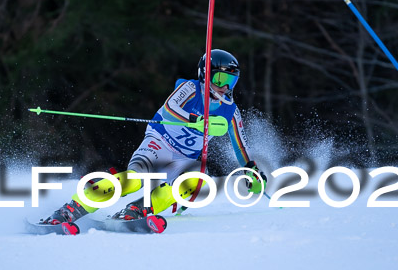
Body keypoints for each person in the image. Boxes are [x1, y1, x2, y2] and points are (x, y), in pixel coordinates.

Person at [41, 49, 267, 225]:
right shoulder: (190, 88)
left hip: (185, 159)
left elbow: (240, 145)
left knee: (193, 184)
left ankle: (139, 209)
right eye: (219, 79)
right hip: (160, 142)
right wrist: (194, 120)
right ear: (206, 75)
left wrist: (251, 170)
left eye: (231, 81)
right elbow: (171, 108)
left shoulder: (231, 110)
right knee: (137, 178)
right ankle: (74, 207)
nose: (224, 87)